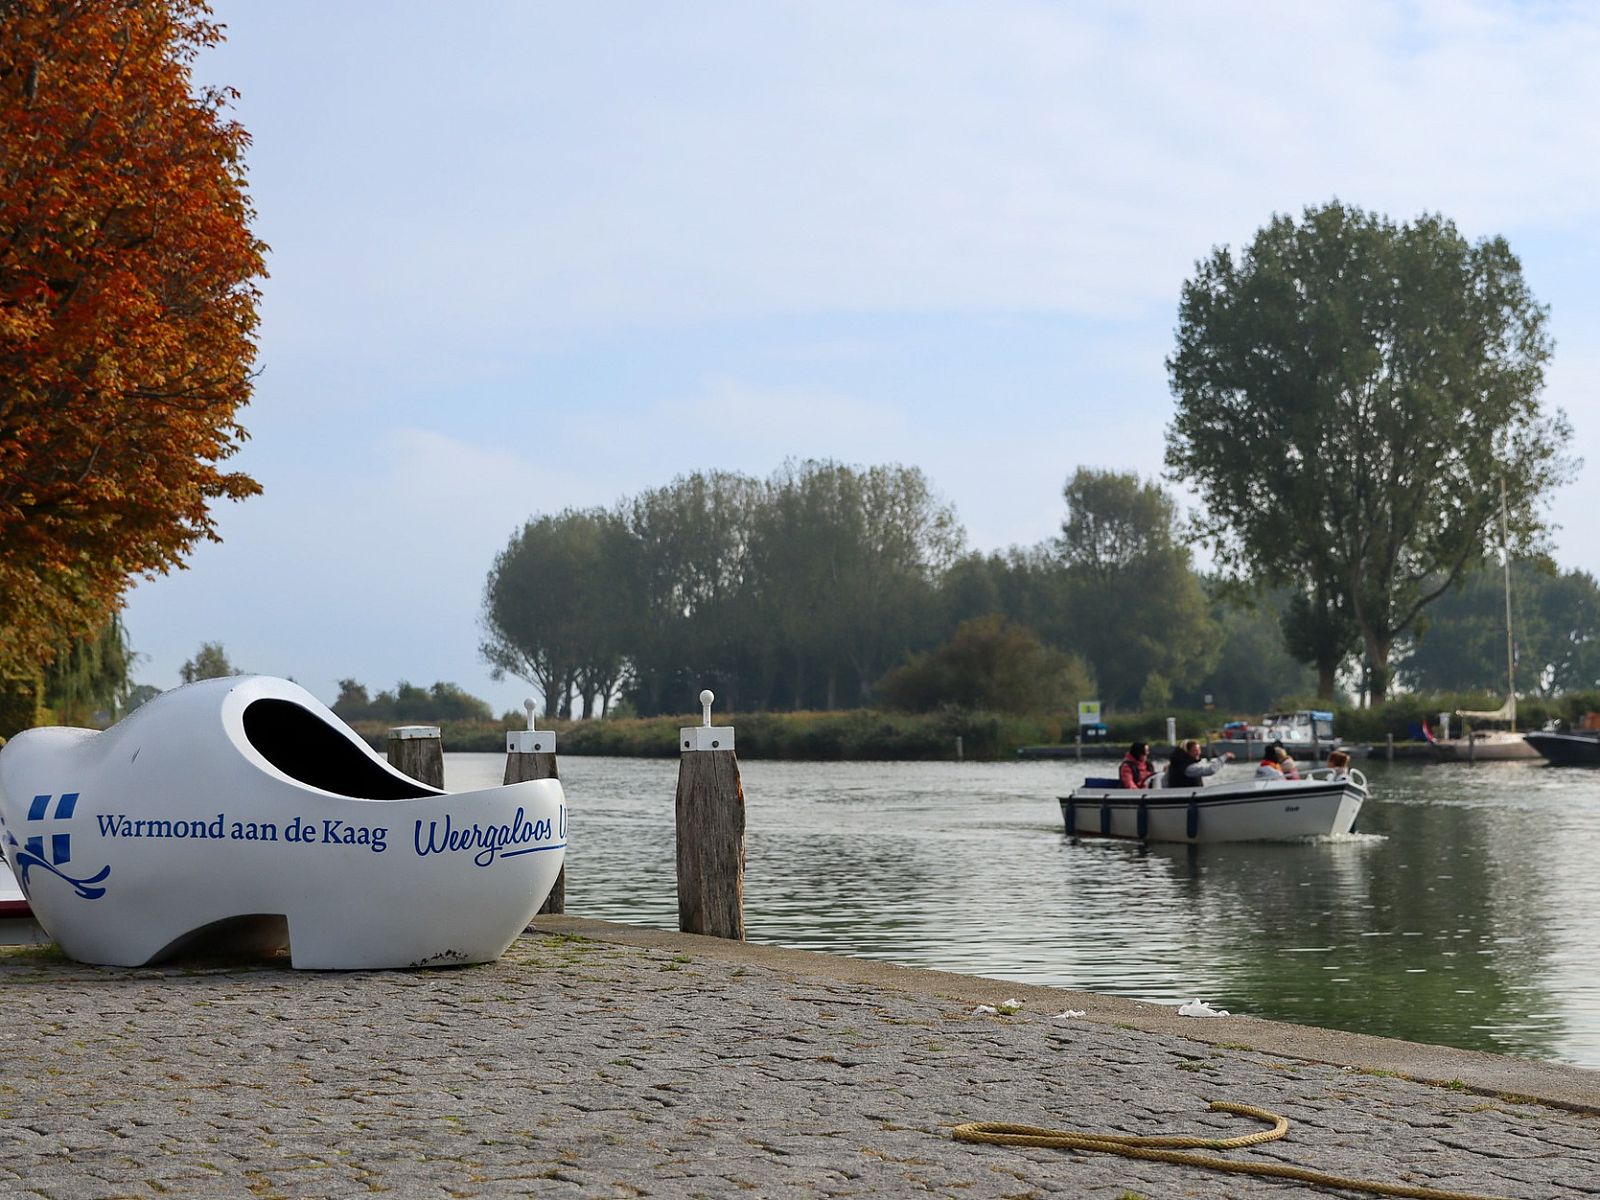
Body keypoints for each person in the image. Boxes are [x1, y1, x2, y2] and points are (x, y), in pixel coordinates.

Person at [1165, 739, 1233, 789]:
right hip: (1186, 800)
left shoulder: (1178, 764)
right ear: (1187, 752)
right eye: (1195, 751)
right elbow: (1210, 770)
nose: (1198, 753)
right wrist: (1224, 757)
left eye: (1199, 750)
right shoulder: (1188, 768)